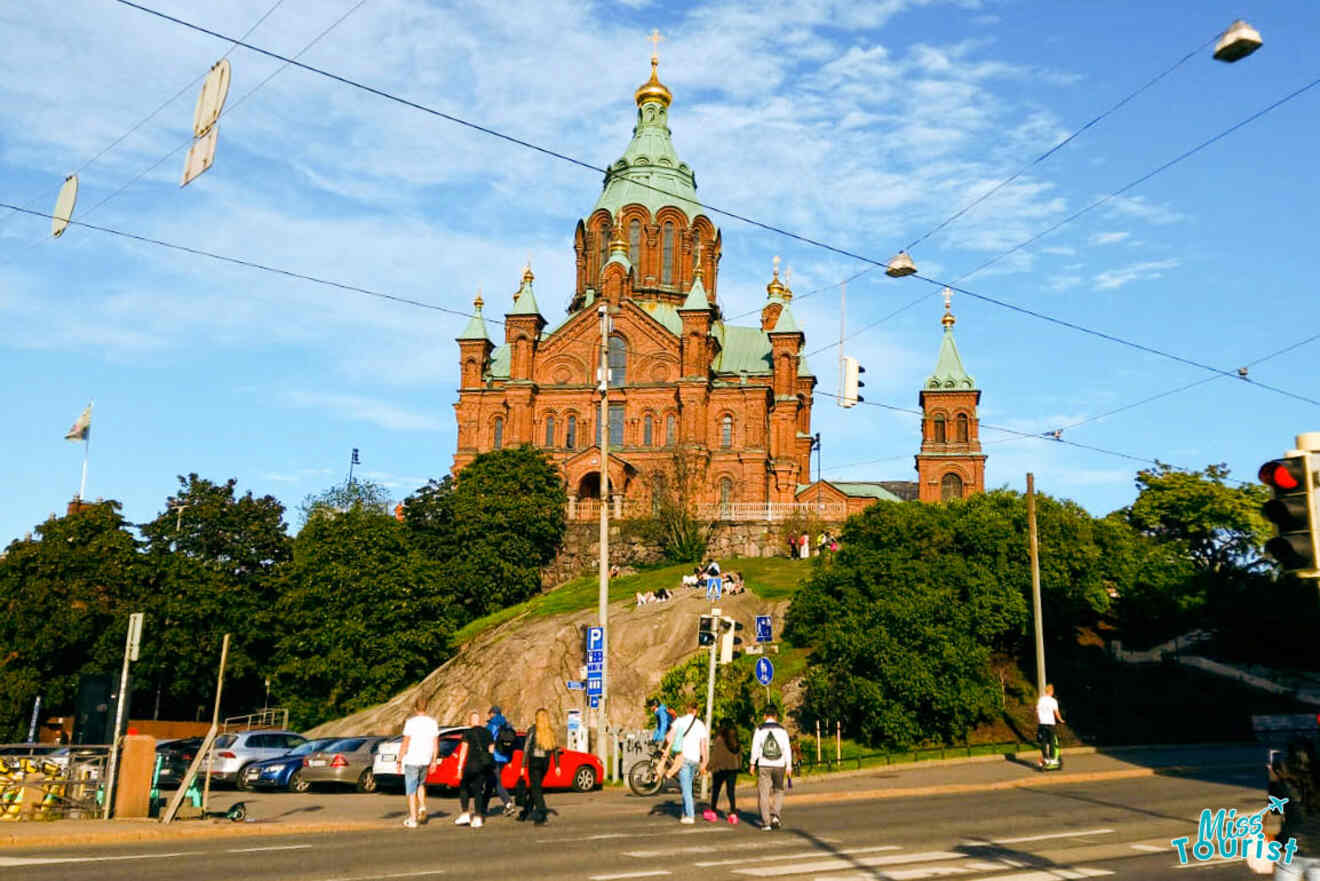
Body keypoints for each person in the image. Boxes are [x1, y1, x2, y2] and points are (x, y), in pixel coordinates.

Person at [663, 698, 708, 824]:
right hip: (694, 759)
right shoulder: (700, 724)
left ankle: (690, 815)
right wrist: (704, 762)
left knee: (686, 788)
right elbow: (703, 745)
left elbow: (668, 737)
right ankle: (684, 813)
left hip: (682, 757)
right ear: (695, 710)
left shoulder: (679, 721)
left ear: (686, 709)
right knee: (687, 787)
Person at [396, 698, 439, 828]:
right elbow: (435, 743)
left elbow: (405, 743)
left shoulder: (411, 723)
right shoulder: (433, 723)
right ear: (426, 708)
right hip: (425, 759)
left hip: (412, 759)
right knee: (421, 784)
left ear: (415, 709)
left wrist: (399, 760)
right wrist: (434, 760)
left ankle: (413, 819)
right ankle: (422, 806)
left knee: (411, 790)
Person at [750, 703, 791, 831]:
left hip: (764, 764)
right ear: (776, 716)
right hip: (779, 765)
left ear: (764, 716)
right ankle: (776, 817)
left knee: (763, 793)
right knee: (778, 790)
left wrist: (752, 763)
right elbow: (786, 748)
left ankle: (766, 822)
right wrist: (789, 765)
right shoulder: (782, 730)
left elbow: (755, 748)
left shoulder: (760, 729)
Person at [519, 707, 561, 825]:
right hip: (545, 763)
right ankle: (526, 811)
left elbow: (526, 748)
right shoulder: (550, 732)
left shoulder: (532, 730)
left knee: (536, 789)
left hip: (534, 762)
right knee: (535, 788)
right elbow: (555, 749)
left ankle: (542, 814)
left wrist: (523, 765)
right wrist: (557, 766)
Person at [454, 710, 494, 828]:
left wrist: (459, 767)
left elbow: (463, 751)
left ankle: (465, 813)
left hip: (471, 764)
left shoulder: (468, 733)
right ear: (480, 721)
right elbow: (491, 750)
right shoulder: (488, 733)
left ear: (471, 721)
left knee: (464, 787)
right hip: (483, 765)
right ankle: (477, 817)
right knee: (478, 791)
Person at [706, 720, 742, 824]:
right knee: (730, 791)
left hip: (720, 769)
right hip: (733, 768)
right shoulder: (735, 740)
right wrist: (738, 766)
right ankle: (733, 813)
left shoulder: (719, 740)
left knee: (716, 790)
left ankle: (713, 811)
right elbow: (739, 755)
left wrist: (707, 768)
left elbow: (715, 757)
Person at [486, 705, 516, 816]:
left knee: (497, 782)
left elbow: (487, 739)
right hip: (505, 757)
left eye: (489, 713)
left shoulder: (492, 725)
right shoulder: (506, 724)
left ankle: (508, 803)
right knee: (492, 781)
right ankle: (484, 806)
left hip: (494, 757)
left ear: (492, 714)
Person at [1036, 684, 1063, 768]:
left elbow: (1037, 710)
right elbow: (1056, 712)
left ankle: (1045, 758)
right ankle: (1052, 759)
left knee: (1043, 741)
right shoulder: (1053, 701)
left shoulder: (1040, 700)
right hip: (1050, 723)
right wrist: (1061, 720)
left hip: (1042, 723)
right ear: (1051, 691)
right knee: (1051, 741)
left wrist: (1039, 720)